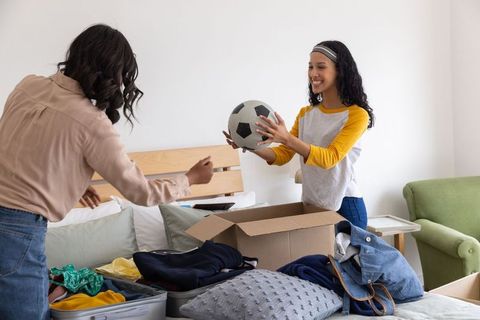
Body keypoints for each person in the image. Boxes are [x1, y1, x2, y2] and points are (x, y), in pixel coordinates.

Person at [0, 24, 213, 320]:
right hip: (17, 231)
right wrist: (190, 179)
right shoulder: (91, 122)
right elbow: (142, 191)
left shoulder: (28, 85)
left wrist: (71, 179)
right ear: (114, 73)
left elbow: (15, 146)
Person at [224, 40, 374, 230]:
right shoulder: (306, 114)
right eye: (310, 67)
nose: (313, 73)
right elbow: (282, 156)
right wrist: (250, 145)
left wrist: (287, 138)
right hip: (312, 204)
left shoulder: (357, 115)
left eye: (321, 67)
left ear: (339, 71)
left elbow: (330, 158)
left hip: (345, 206)